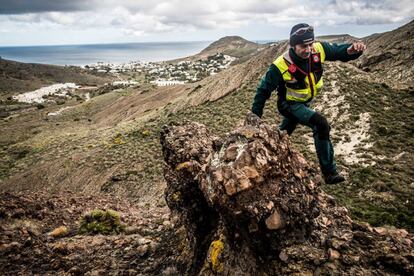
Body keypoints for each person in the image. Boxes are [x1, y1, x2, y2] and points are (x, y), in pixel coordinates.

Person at [251, 23, 366, 184]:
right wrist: (254, 118)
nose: (308, 49)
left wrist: (352, 50)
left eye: (310, 44)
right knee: (321, 124)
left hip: (304, 103)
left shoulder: (318, 49)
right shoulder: (280, 65)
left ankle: (270, 147)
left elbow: (339, 51)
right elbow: (263, 91)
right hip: (289, 105)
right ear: (293, 45)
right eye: (303, 45)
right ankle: (330, 173)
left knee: (283, 133)